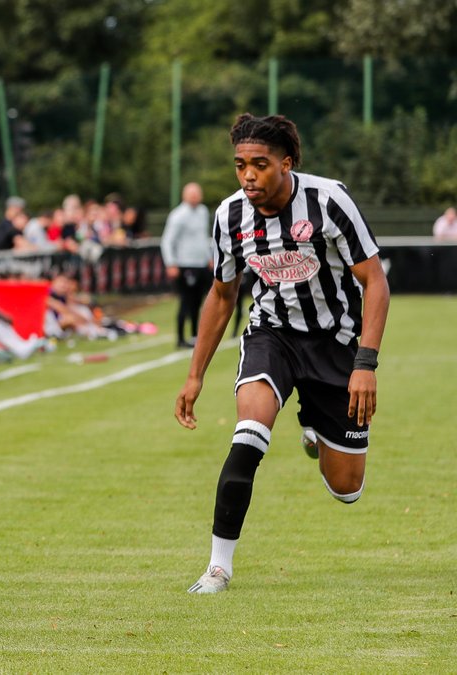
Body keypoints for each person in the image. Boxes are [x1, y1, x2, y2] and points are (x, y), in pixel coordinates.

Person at [176, 113, 389, 594]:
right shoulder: (229, 215)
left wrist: (365, 364)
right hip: (271, 335)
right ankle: (218, 568)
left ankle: (314, 424)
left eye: (260, 164)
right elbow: (223, 295)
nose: (248, 176)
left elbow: (375, 281)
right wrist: (194, 375)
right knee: (248, 435)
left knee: (347, 489)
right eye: (240, 165)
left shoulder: (329, 200)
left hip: (335, 343)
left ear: (286, 163)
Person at [161, 182, 213, 349]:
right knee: (185, 301)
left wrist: (209, 257)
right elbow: (167, 241)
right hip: (185, 264)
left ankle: (195, 335)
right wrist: (171, 263)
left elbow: (203, 237)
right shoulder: (178, 215)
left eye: (197, 193)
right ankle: (180, 337)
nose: (195, 196)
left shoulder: (203, 211)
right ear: (184, 195)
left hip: (201, 263)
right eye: (191, 193)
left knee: (199, 302)